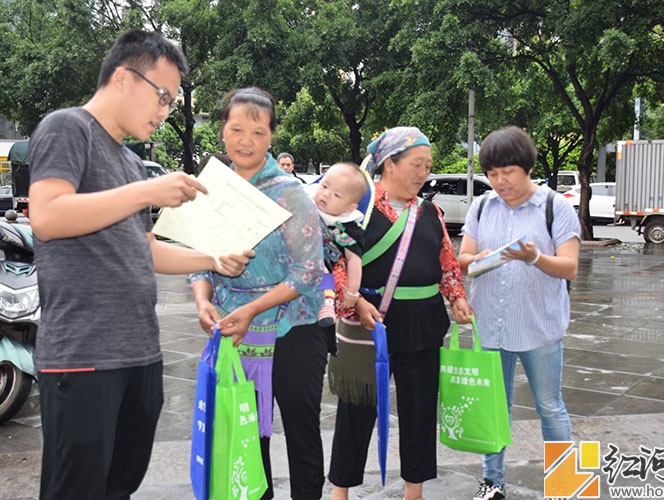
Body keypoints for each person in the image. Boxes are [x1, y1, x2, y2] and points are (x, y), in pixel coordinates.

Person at [27, 29, 252, 500]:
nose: (166, 112)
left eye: (171, 101)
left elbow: (144, 249)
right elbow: (47, 216)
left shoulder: (130, 163)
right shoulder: (67, 127)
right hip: (83, 356)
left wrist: (213, 259)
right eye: (163, 96)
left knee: (119, 486)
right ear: (125, 78)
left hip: (139, 354)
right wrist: (149, 191)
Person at [190, 87, 329, 500]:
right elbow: (199, 258)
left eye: (258, 131)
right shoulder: (211, 190)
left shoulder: (289, 192)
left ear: (271, 137)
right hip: (234, 330)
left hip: (293, 328)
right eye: (236, 129)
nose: (245, 140)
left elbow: (309, 270)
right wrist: (203, 301)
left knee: (302, 431)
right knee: (245, 434)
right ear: (222, 131)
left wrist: (252, 308)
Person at [327, 126, 475, 500]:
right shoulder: (358, 208)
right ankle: (340, 490)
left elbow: (446, 262)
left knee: (419, 409)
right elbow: (338, 262)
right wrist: (354, 300)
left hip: (423, 324)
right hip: (369, 324)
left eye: (427, 165)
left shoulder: (429, 211)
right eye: (416, 163)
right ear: (389, 164)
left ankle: (414, 490)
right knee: (357, 408)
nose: (424, 171)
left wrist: (455, 296)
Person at [457, 126, 581, 500]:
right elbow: (463, 259)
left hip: (538, 326)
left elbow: (570, 266)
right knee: (495, 408)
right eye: (492, 174)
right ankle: (492, 481)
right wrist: (473, 260)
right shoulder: (482, 205)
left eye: (506, 172)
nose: (499, 181)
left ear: (526, 167)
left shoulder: (554, 206)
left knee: (550, 406)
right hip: (491, 325)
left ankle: (564, 484)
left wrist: (535, 258)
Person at [306, 161, 369, 327]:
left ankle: (327, 304)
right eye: (324, 186)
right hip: (295, 265)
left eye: (337, 195)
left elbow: (354, 260)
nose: (326, 194)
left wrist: (352, 291)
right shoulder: (304, 205)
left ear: (350, 207)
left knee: (327, 265)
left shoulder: (348, 227)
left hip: (325, 267)